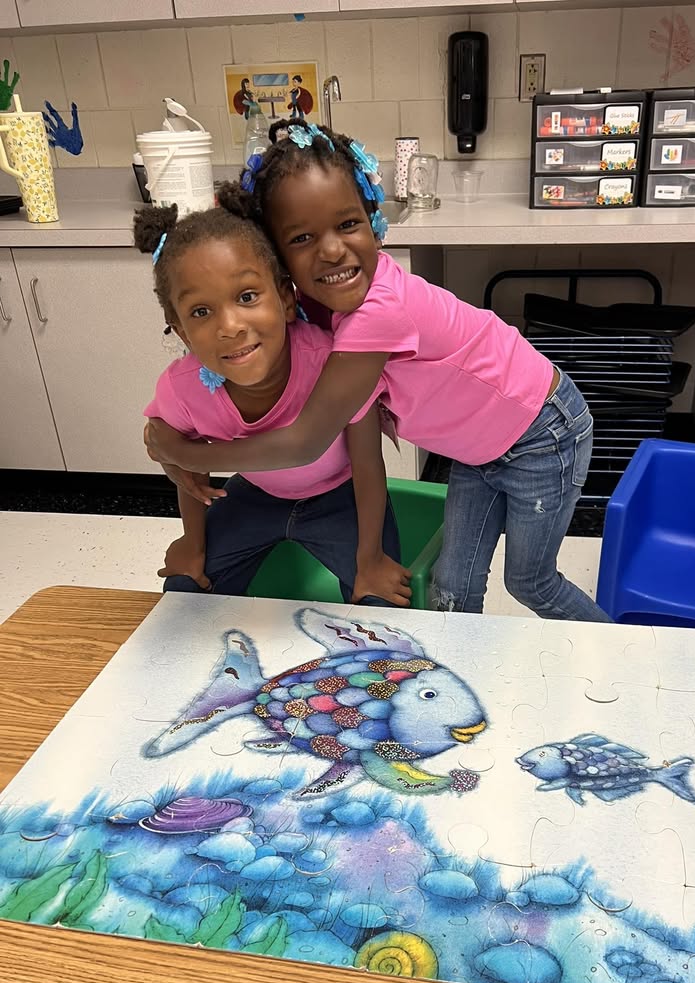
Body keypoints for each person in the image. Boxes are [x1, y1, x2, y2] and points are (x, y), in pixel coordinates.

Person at [144, 121, 611, 623]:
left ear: (373, 220)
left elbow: (304, 441)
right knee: (453, 585)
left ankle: (626, 657)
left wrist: (180, 451)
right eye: (302, 237)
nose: (330, 251)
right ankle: (459, 667)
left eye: (348, 225)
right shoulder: (313, 306)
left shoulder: (379, 309)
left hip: (541, 428)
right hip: (478, 448)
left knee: (530, 582)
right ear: (280, 262)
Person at [134, 201, 410, 606]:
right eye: (201, 312)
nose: (229, 327)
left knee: (382, 599)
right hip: (255, 496)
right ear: (182, 331)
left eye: (246, 296)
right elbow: (178, 455)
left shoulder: (332, 364)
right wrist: (193, 541)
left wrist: (369, 560)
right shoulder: (184, 387)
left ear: (284, 298)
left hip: (343, 496)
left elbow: (368, 463)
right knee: (185, 590)